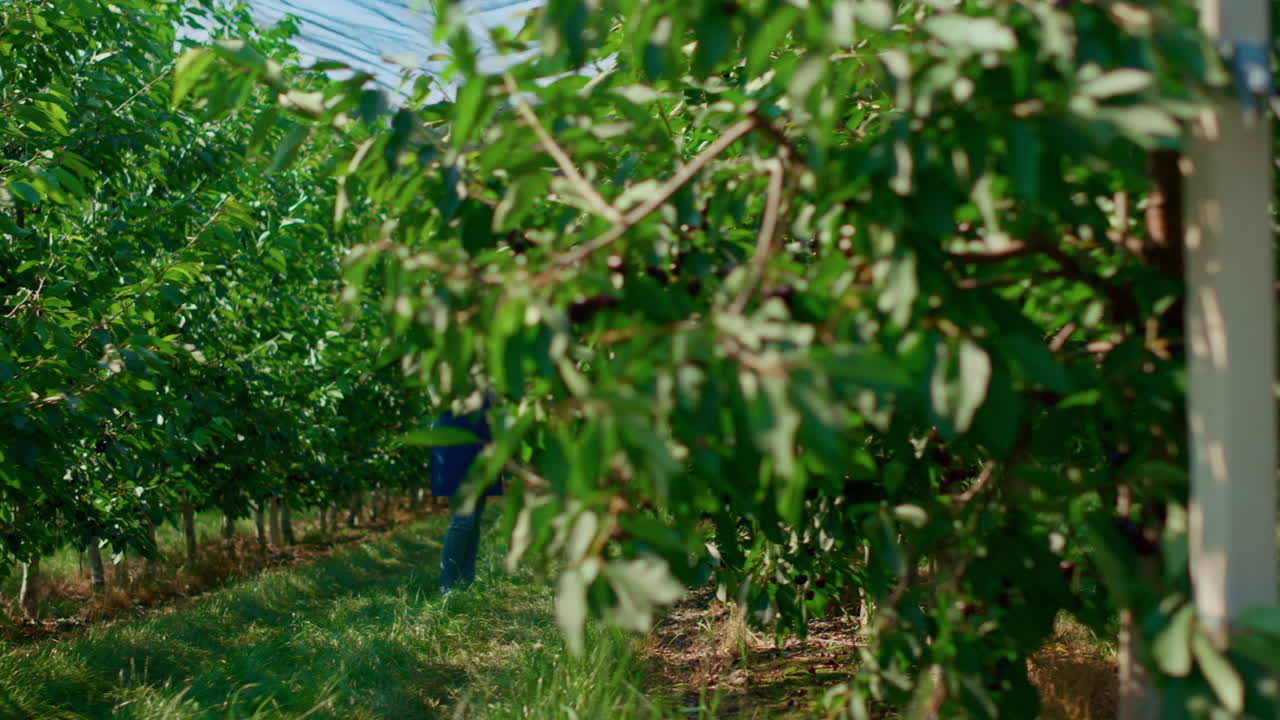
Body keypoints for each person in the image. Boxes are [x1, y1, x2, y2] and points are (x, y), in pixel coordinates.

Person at [431, 394, 502, 593]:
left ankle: (466, 581)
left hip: (481, 439)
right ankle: (448, 585)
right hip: (455, 442)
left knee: (475, 517)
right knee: (464, 519)